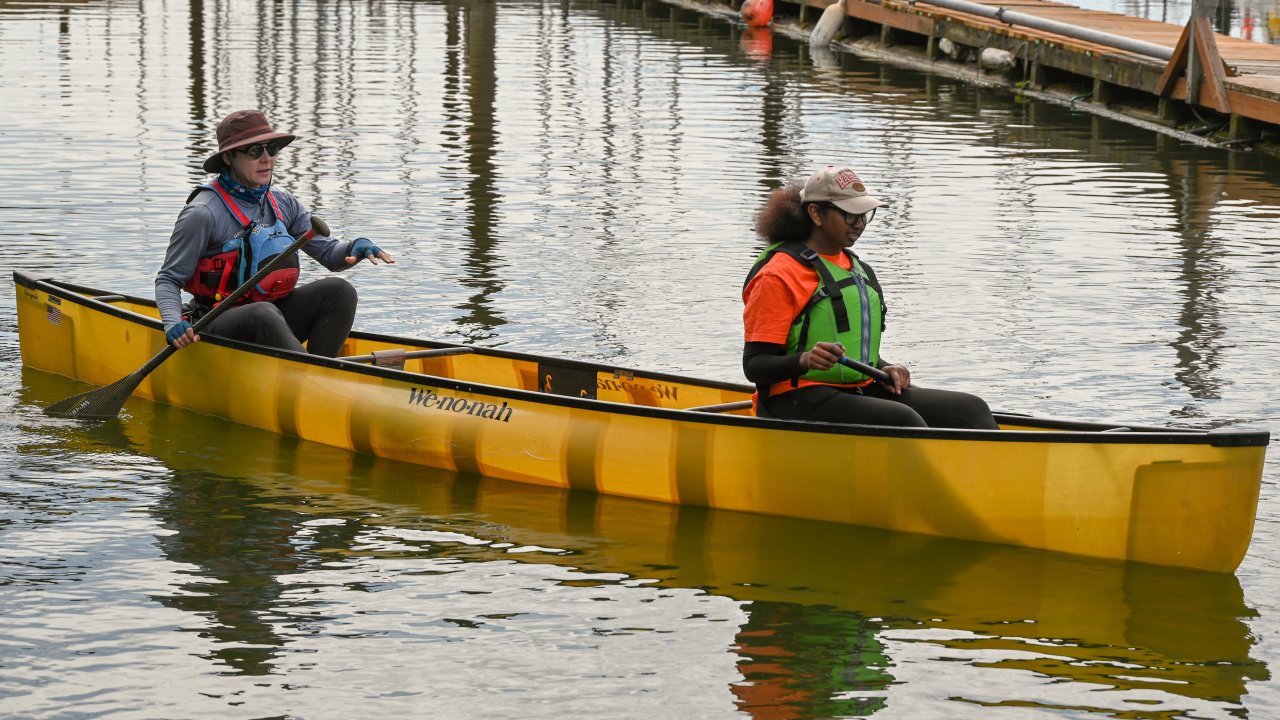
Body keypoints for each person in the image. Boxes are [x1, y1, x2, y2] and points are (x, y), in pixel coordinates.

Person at [742, 165, 997, 429]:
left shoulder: (858, 269)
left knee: (971, 409)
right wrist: (804, 359)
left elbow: (854, 351)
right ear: (816, 213)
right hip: (793, 398)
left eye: (864, 214)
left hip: (856, 388)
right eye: (850, 215)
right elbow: (754, 365)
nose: (860, 224)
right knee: (903, 420)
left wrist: (884, 368)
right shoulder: (778, 275)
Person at [155, 109, 394, 357]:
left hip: (271, 318)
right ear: (227, 158)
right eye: (254, 152)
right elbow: (168, 280)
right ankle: (310, 378)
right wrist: (173, 323)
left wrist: (355, 246)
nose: (267, 159)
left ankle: (320, 374)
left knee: (340, 292)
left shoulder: (282, 202)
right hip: (213, 324)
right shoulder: (203, 213)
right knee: (263, 313)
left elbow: (330, 254)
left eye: (272, 149)